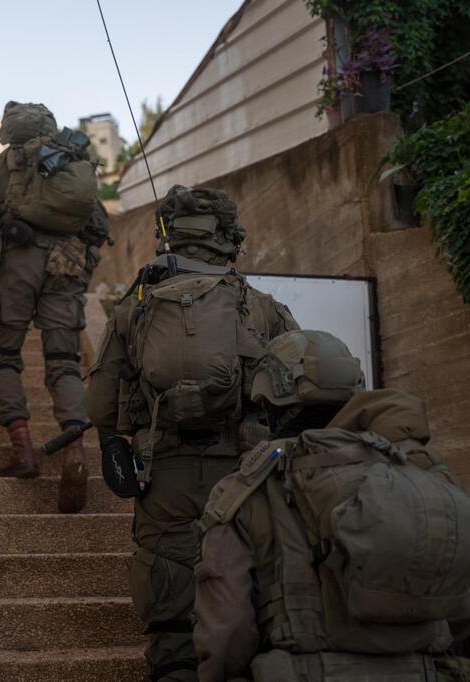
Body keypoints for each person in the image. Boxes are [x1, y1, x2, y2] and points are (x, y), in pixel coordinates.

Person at [85, 185, 299, 681]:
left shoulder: (134, 310)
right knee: (251, 599)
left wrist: (120, 448)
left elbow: (99, 406)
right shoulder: (263, 309)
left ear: (167, 237)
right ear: (228, 239)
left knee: (173, 617)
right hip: (248, 477)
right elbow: (296, 396)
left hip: (166, 478)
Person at [193, 329, 470, 681]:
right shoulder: (406, 475)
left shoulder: (247, 489)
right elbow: (465, 613)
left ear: (271, 400)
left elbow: (227, 632)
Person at [0, 101, 110, 513]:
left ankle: (24, 450)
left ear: (9, 132)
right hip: (65, 266)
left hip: (15, 269)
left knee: (4, 357)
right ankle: (75, 451)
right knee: (63, 361)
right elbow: (98, 224)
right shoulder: (70, 163)